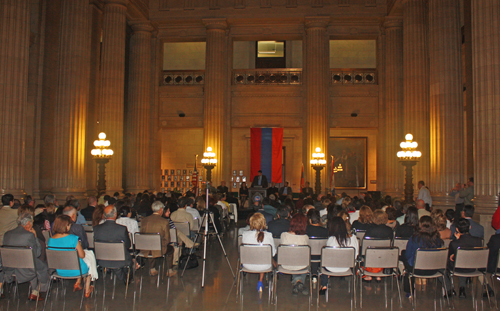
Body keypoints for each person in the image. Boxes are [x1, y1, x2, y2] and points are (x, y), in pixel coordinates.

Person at [3, 213, 49, 301]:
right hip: (26, 266)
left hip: (10, 267)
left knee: (33, 263)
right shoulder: (29, 235)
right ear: (28, 223)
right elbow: (37, 253)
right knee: (41, 265)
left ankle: (35, 292)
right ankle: (36, 291)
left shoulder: (7, 234)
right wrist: (35, 236)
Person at [48, 215, 95, 298]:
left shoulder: (51, 240)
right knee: (90, 258)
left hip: (60, 270)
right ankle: (87, 289)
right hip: (77, 271)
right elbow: (82, 255)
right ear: (66, 226)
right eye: (69, 224)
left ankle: (79, 282)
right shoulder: (73, 238)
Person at [402, 216, 443, 297]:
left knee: (404, 255)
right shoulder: (437, 240)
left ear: (420, 225)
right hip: (434, 269)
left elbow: (408, 255)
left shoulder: (414, 238)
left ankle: (409, 290)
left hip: (417, 270)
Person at [319, 217, 359, 295]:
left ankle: (323, 285)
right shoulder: (353, 238)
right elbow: (356, 254)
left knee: (324, 261)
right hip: (347, 267)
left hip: (331, 267)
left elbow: (328, 256)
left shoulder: (331, 239)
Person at [94, 206, 134, 284]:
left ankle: (119, 273)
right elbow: (128, 245)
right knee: (128, 258)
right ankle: (125, 277)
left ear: (104, 215)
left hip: (102, 260)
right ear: (115, 214)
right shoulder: (122, 229)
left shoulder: (96, 228)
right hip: (120, 259)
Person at [445, 218, 483, 298]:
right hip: (473, 268)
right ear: (469, 227)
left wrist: (457, 240)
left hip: (457, 268)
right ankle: (462, 288)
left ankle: (449, 289)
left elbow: (450, 257)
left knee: (453, 262)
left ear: (457, 229)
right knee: (463, 261)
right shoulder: (478, 241)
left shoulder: (454, 243)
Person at [241, 213, 276, 294]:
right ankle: (260, 280)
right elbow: (273, 253)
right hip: (265, 265)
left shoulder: (245, 235)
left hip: (247, 264)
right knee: (263, 258)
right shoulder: (268, 235)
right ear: (264, 223)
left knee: (258, 257)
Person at [140, 201, 175, 277]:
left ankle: (152, 268)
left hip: (145, 248)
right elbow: (167, 239)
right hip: (159, 248)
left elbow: (141, 234)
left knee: (150, 244)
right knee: (171, 249)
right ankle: (170, 270)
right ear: (161, 210)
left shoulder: (144, 220)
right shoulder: (164, 221)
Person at [280, 213, 310, 296]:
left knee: (293, 259)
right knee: (302, 261)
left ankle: (297, 283)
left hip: (286, 264)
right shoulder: (305, 237)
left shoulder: (284, 235)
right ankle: (299, 283)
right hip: (302, 265)